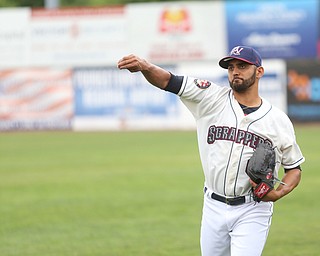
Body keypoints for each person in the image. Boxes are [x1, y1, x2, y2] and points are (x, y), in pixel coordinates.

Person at [117, 45, 305, 256]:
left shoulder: (277, 121)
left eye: (242, 66)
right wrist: (145, 66)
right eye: (231, 67)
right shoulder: (210, 98)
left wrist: (278, 193)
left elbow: (294, 168)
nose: (235, 71)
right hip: (213, 206)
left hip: (253, 208)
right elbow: (168, 80)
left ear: (259, 71)